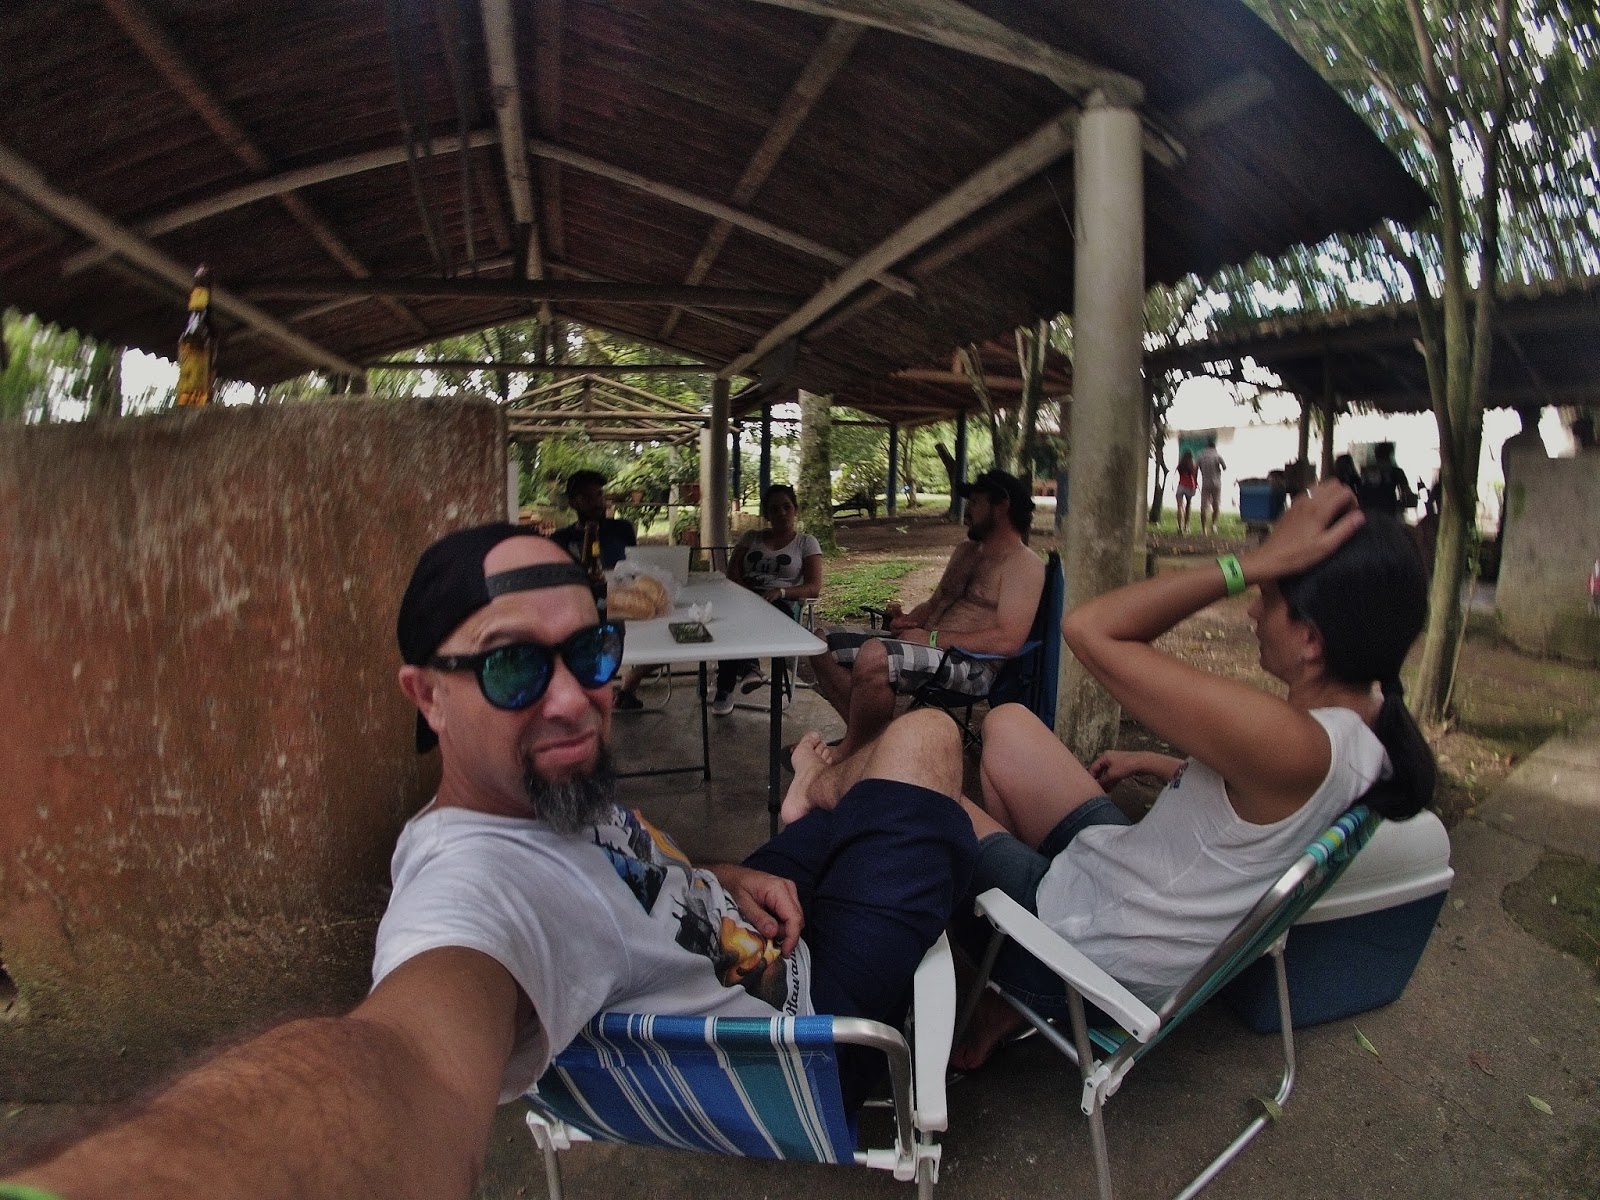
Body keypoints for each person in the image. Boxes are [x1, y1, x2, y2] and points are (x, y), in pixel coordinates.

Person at [4, 525, 976, 1198]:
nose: (572, 700)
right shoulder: (476, 889)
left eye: (592, 654)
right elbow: (408, 1067)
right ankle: (844, 794)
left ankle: (822, 791)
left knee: (933, 790)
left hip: (749, 912)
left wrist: (720, 872)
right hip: (816, 1012)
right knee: (933, 738)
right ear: (426, 695)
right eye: (513, 666)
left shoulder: (542, 791)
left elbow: (630, 878)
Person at [944, 485, 1436, 1068]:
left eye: (1267, 597)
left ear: (1311, 640)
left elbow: (1089, 628)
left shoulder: (1294, 747)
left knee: (916, 781)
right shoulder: (1366, 725)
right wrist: (1150, 763)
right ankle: (1018, 924)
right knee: (1007, 725)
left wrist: (1252, 561)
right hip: (1129, 880)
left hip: (1092, 962)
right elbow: (1259, 814)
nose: (1252, 611)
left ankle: (1014, 970)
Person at [809, 469, 1046, 764]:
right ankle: (874, 745)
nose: (968, 510)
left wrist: (932, 638)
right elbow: (936, 602)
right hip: (928, 646)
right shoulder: (966, 551)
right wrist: (909, 619)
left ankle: (851, 753)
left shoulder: (1024, 565)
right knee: (819, 642)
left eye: (975, 502)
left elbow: (1009, 640)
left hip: (971, 666)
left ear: (1001, 506)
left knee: (875, 656)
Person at [712, 483, 824, 716]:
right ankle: (747, 670)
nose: (781, 513)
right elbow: (732, 572)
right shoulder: (751, 537)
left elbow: (814, 587)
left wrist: (781, 592)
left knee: (747, 617)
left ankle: (730, 683)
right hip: (744, 597)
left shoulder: (806, 542)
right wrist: (747, 594)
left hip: (782, 603)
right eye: (774, 509)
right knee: (727, 618)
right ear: (766, 514)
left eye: (786, 507)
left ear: (795, 509)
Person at [549, 470, 652, 710]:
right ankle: (592, 694)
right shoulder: (561, 539)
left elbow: (634, 566)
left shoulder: (621, 529)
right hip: (579, 610)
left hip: (623, 604)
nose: (597, 502)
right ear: (573, 502)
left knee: (671, 632)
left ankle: (627, 684)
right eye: (588, 497)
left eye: (599, 495)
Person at [1356, 442, 1416, 517]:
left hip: (1368, 512)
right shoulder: (1396, 471)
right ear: (1390, 455)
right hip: (1389, 510)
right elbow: (1406, 492)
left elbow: (1361, 492)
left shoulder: (1366, 471)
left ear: (1376, 455)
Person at [1196, 436, 1226, 535]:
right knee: (1216, 504)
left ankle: (1203, 529)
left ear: (1206, 446)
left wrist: (1195, 480)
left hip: (1205, 482)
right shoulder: (1217, 456)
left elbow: (1195, 468)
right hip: (1216, 483)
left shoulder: (1201, 455)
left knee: (1203, 506)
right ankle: (1213, 525)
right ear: (1214, 447)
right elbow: (1224, 467)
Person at [1173, 450, 1197, 534]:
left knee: (1180, 506)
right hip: (1189, 486)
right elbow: (1194, 475)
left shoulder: (1180, 465)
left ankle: (1180, 527)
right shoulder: (1192, 464)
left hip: (1180, 486)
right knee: (1188, 506)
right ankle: (1186, 526)